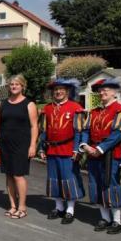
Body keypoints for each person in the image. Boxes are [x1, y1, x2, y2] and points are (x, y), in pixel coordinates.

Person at [80, 78, 121, 234]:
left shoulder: (120, 110)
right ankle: (104, 218)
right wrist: (85, 145)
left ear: (115, 92)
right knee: (96, 183)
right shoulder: (94, 111)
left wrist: (100, 148)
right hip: (93, 152)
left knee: (110, 184)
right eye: (100, 90)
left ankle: (117, 221)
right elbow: (86, 131)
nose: (102, 92)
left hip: (110, 154)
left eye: (106, 89)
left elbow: (118, 133)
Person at [39, 79, 85, 224]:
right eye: (56, 89)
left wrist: (76, 150)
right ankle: (59, 207)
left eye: (61, 89)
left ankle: (70, 210)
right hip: (52, 149)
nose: (58, 92)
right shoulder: (47, 108)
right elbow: (43, 131)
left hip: (68, 150)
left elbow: (79, 131)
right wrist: (41, 148)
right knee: (55, 179)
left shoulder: (75, 107)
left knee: (68, 180)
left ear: (67, 91)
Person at [0, 74, 37, 220]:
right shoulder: (2, 103)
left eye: (17, 84)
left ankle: (22, 207)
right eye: (11, 84)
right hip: (5, 143)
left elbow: (34, 126)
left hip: (21, 144)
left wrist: (32, 145)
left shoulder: (29, 104)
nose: (14, 86)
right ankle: (12, 206)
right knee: (9, 175)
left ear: (22, 86)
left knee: (18, 175)